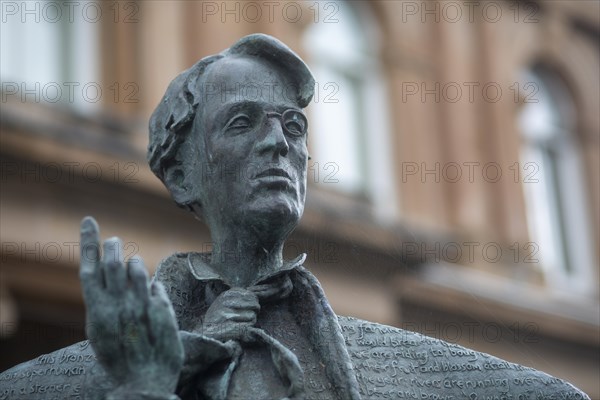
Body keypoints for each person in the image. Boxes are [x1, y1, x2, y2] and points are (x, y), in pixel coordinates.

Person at [0, 34, 589, 400]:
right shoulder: (90, 372)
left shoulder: (402, 367)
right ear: (182, 174)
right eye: (242, 123)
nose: (278, 143)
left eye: (293, 125)